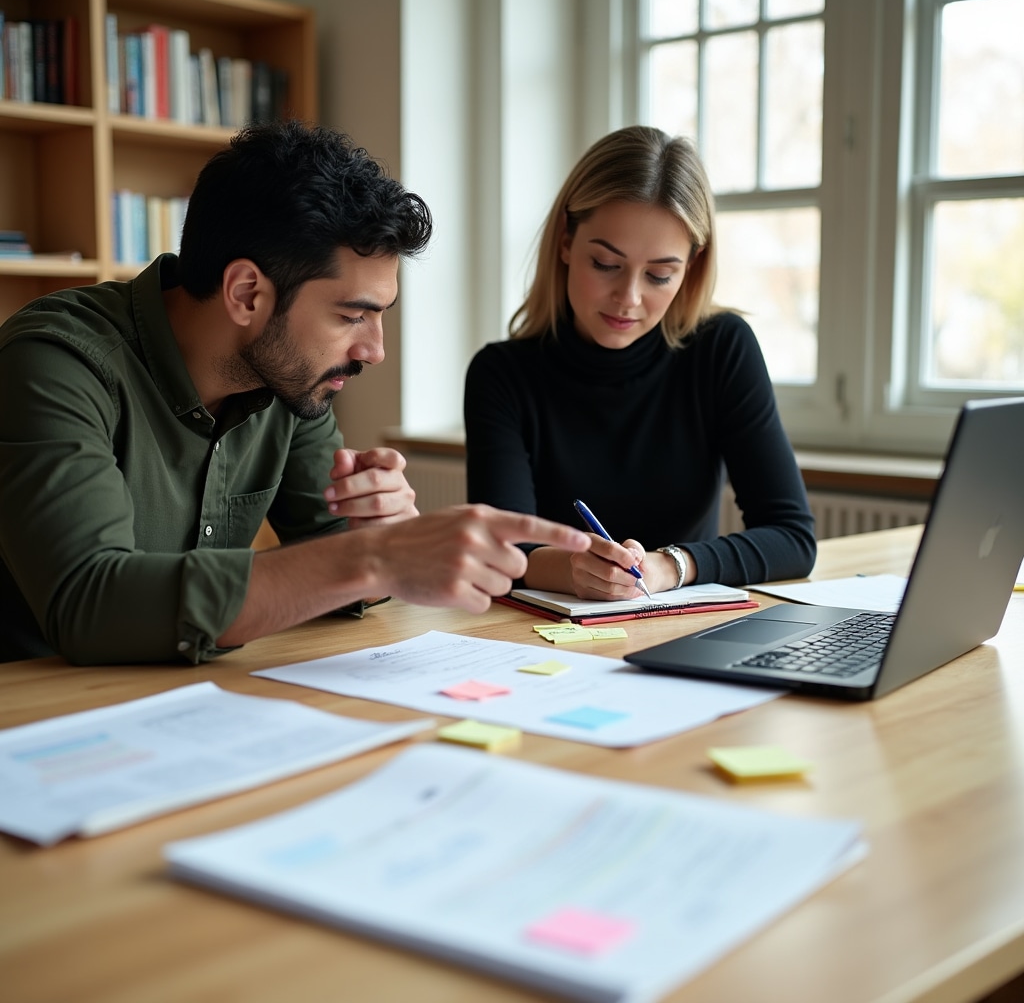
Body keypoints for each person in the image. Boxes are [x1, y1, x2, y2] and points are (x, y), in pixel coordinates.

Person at [0, 120, 589, 664]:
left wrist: (381, 535)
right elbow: (89, 604)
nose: (373, 351)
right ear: (247, 293)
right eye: (351, 316)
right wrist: (373, 560)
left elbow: (334, 561)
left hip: (192, 705)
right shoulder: (55, 365)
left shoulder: (289, 382)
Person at [464, 125, 815, 601]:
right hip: (546, 642)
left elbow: (793, 538)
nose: (628, 298)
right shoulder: (501, 374)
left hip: (683, 629)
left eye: (659, 275)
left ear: (691, 266)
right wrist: (575, 569)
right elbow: (499, 550)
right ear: (566, 242)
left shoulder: (721, 348)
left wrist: (671, 566)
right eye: (606, 265)